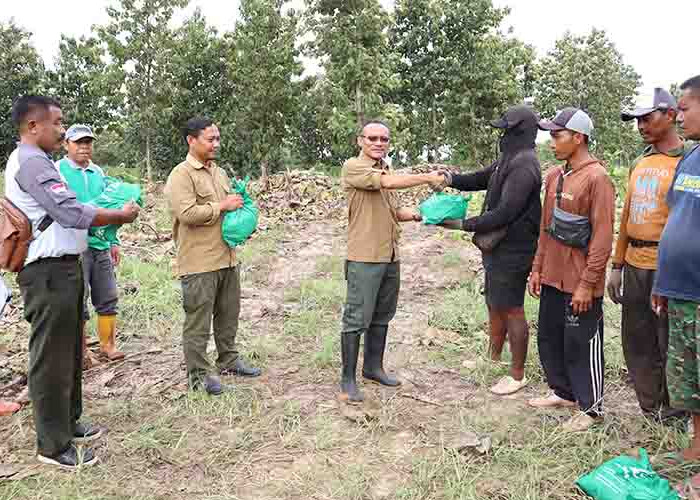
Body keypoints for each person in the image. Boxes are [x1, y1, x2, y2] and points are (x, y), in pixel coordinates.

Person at [5, 95, 139, 468]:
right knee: (51, 356)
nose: (62, 130)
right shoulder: (32, 162)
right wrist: (118, 216)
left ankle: (69, 422)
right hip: (46, 273)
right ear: (34, 126)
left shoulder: (38, 160)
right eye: (58, 123)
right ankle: (52, 445)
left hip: (63, 268)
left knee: (68, 352)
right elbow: (68, 210)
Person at [339, 119, 445, 403]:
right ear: (360, 140)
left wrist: (421, 214)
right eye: (372, 138)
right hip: (365, 256)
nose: (378, 143)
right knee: (356, 318)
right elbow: (386, 183)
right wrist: (426, 177)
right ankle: (347, 379)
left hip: (389, 255)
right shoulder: (354, 167)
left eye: (383, 139)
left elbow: (394, 208)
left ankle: (373, 368)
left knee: (382, 315)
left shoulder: (385, 169)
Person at [438, 105, 542, 395]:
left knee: (511, 308)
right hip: (498, 247)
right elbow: (481, 178)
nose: (501, 135)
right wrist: (451, 179)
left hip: (515, 249)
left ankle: (517, 374)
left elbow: (506, 212)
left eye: (506, 129)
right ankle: (493, 357)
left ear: (518, 131)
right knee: (495, 303)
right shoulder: (509, 158)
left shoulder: (525, 164)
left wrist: (462, 224)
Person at [527, 108, 615, 432]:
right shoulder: (554, 176)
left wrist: (586, 284)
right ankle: (563, 393)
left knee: (582, 341)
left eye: (557, 135)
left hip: (579, 281)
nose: (552, 142)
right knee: (550, 338)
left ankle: (591, 408)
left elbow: (603, 237)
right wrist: (537, 268)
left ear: (578, 138)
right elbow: (545, 228)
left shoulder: (597, 179)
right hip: (552, 275)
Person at [607, 88, 690, 423]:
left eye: (647, 117)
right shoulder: (640, 162)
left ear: (670, 115)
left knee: (671, 344)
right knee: (637, 340)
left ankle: (677, 413)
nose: (640, 125)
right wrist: (616, 263)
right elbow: (627, 214)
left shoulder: (688, 160)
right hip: (634, 265)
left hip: (669, 268)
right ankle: (650, 408)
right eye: (636, 119)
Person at [165, 117, 261, 396]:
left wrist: (241, 210)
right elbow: (187, 214)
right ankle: (198, 376)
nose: (216, 144)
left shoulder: (218, 172)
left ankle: (228, 360)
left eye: (218, 138)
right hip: (199, 262)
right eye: (210, 139)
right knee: (198, 321)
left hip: (226, 257)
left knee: (228, 314)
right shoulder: (181, 175)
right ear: (191, 140)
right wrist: (222, 205)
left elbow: (229, 209)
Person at [651, 76, 700, 469]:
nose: (678, 117)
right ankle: (697, 448)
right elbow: (676, 216)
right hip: (681, 290)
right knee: (689, 378)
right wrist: (663, 282)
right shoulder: (691, 157)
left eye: (684, 109)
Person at [58, 124, 124, 369]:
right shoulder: (59, 171)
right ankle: (82, 351)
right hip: (75, 246)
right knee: (78, 299)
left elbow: (110, 206)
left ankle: (108, 346)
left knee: (107, 295)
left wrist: (113, 240)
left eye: (88, 142)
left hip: (100, 243)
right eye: (78, 143)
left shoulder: (98, 172)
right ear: (67, 145)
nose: (84, 147)